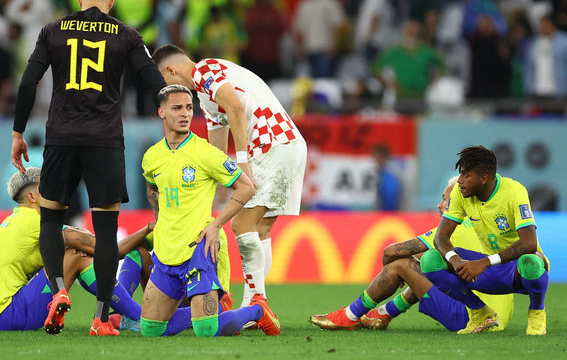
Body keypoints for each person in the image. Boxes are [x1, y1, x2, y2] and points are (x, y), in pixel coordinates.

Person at [10, 0, 166, 336]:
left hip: (61, 137)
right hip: (105, 140)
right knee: (107, 232)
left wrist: (18, 131)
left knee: (50, 221)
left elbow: (27, 82)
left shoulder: (52, 31)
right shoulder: (127, 35)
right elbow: (153, 80)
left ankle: (58, 291)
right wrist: (170, 118)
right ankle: (99, 319)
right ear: (111, 2)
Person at [152, 44, 307, 313]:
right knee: (260, 230)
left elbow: (235, 108)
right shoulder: (205, 93)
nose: (167, 89)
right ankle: (254, 304)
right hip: (287, 144)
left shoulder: (204, 71)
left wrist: (243, 162)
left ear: (171, 70)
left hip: (270, 145)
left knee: (241, 224)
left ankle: (254, 304)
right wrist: (214, 180)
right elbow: (217, 150)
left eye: (164, 81)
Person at [139, 84, 280, 337]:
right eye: (177, 108)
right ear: (161, 112)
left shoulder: (205, 153)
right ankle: (216, 314)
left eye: (189, 108)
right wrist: (161, 220)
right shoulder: (152, 156)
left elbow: (246, 187)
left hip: (198, 248)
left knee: (206, 329)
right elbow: (152, 188)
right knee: (151, 330)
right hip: (166, 250)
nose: (185, 113)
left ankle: (257, 310)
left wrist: (216, 225)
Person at [309, 176, 513, 334]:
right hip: (499, 319)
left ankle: (349, 316)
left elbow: (391, 251)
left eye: (445, 200)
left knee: (401, 264)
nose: (440, 205)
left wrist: (391, 272)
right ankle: (383, 314)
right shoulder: (488, 227)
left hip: (471, 317)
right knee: (429, 268)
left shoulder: (453, 230)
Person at [0, 168, 155, 333]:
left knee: (130, 254)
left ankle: (125, 316)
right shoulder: (34, 224)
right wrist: (148, 229)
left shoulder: (17, 221)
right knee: (75, 255)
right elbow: (106, 250)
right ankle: (143, 317)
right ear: (32, 197)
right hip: (10, 315)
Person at [428, 145, 549, 336]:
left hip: (516, 270)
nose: (459, 181)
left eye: (465, 175)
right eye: (460, 174)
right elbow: (441, 238)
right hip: (487, 269)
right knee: (430, 260)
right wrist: (456, 261)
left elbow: (529, 244)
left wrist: (484, 263)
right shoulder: (460, 193)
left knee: (531, 261)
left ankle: (536, 312)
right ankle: (479, 311)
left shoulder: (514, 191)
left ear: (483, 178)